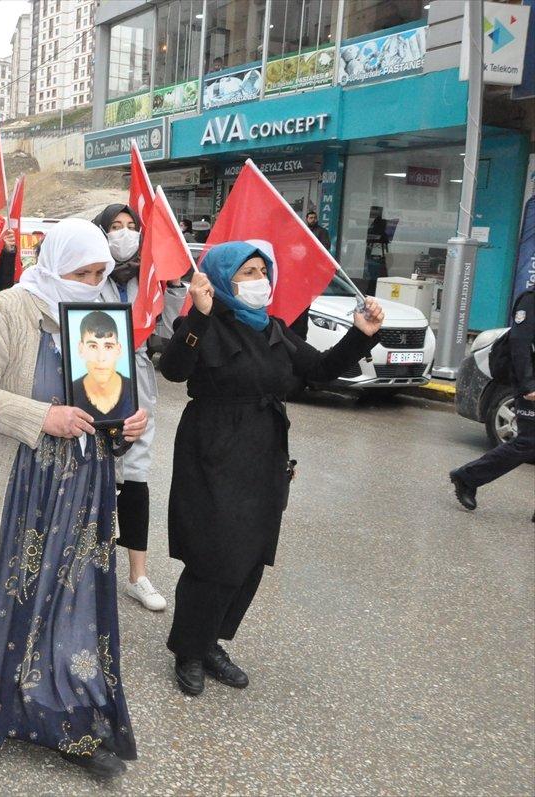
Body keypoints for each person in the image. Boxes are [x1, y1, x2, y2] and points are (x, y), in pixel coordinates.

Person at [0, 218, 148, 778]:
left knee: (66, 600)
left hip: (77, 491)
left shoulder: (98, 322)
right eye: (82, 273)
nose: (92, 284)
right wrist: (41, 417)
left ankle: (59, 712)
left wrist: (123, 424)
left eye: (99, 274)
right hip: (11, 487)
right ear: (55, 265)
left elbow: (102, 402)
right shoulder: (9, 310)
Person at [159, 241, 384, 697]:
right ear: (222, 280)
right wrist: (199, 314)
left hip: (264, 450)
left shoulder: (273, 329)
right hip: (213, 449)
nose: (259, 280)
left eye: (263, 271)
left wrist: (361, 334)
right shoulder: (203, 323)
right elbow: (174, 370)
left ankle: (212, 641)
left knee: (249, 555)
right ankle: (189, 650)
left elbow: (319, 370)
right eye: (247, 272)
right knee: (213, 553)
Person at [94, 202, 186, 612]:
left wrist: (175, 282)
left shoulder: (148, 278)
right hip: (94, 377)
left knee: (135, 476)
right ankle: (87, 566)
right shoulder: (92, 272)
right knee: (93, 475)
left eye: (131, 225)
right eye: (115, 226)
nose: (124, 232)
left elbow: (169, 328)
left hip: (139, 380)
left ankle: (138, 575)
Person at [450, 284, 535, 515]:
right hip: (531, 383)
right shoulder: (530, 299)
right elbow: (520, 344)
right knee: (528, 442)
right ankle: (467, 477)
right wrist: (528, 385)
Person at [71, 310, 134, 422]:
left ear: (118, 350)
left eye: (108, 347)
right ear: (81, 349)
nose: (101, 358)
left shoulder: (133, 391)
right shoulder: (70, 393)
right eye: (93, 346)